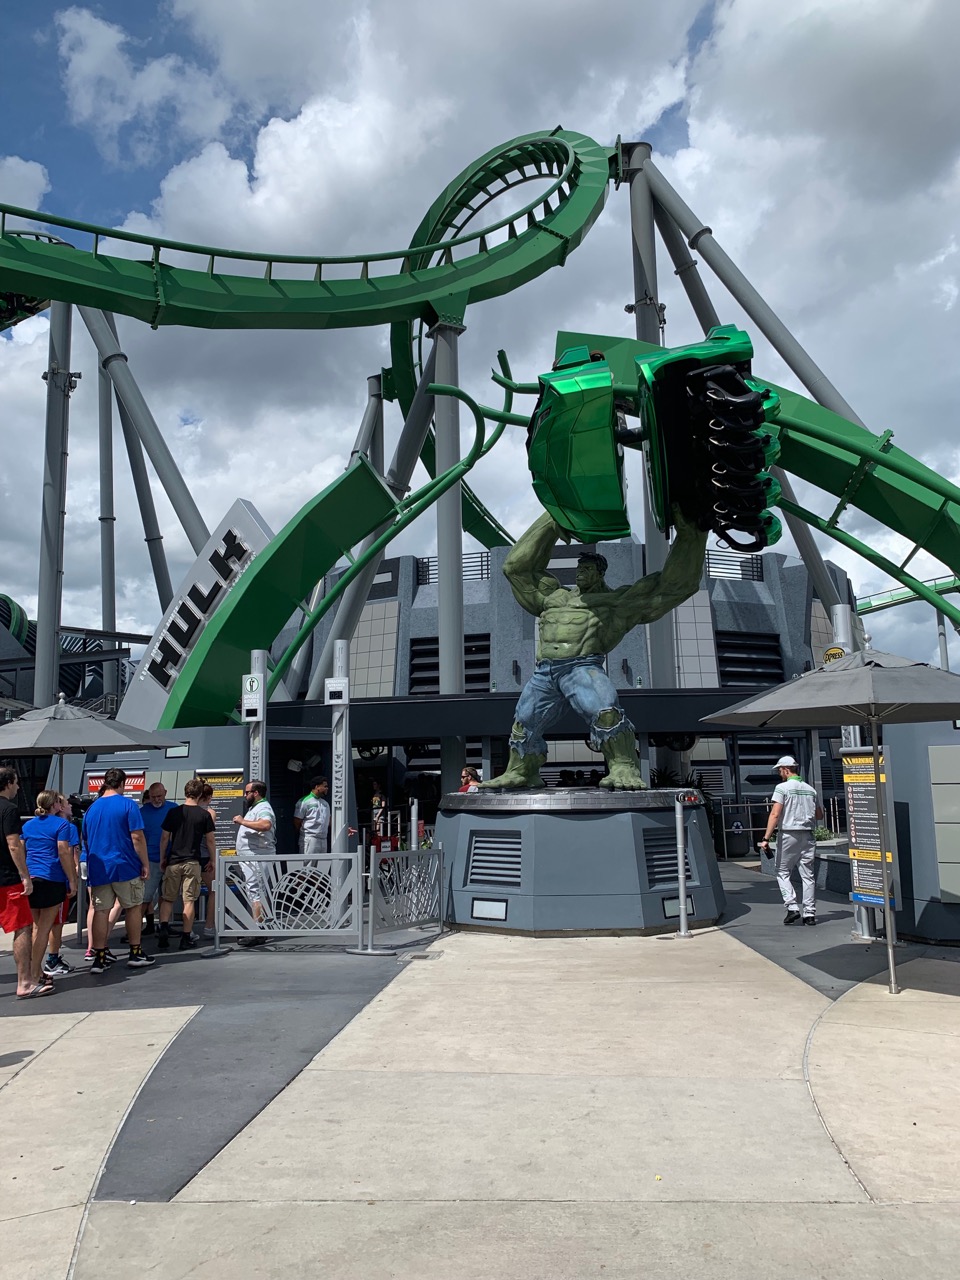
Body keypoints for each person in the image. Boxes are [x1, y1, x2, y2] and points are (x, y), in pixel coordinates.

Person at [481, 506, 707, 789]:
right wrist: (555, 517)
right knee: (523, 723)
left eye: (587, 569)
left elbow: (675, 586)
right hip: (544, 673)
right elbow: (514, 568)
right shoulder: (554, 597)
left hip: (582, 667)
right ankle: (523, 771)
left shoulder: (615, 603)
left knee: (606, 712)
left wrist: (693, 533)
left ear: (600, 573)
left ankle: (624, 767)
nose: (580, 573)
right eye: (579, 568)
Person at [82, 767, 155, 972]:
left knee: (100, 911)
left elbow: (86, 839)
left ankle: (100, 955)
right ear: (123, 783)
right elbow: (137, 837)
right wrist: (145, 863)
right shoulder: (128, 805)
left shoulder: (92, 809)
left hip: (99, 868)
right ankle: (135, 952)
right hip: (125, 865)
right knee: (133, 907)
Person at [0, 765, 53, 999]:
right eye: (16, 782)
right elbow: (14, 845)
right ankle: (24, 983)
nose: (18, 786)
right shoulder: (9, 810)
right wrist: (25, 875)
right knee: (22, 927)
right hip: (7, 880)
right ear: (8, 783)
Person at [23, 791, 78, 987]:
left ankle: (30, 971)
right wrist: (72, 879)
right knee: (44, 929)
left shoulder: (27, 825)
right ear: (55, 804)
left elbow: (22, 850)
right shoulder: (62, 824)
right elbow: (64, 851)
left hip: (31, 878)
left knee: (34, 928)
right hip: (52, 878)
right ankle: (35, 972)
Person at [760, 755, 823, 925]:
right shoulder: (811, 790)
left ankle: (792, 907)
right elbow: (819, 814)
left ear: (786, 770)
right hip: (808, 835)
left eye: (780, 770)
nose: (779, 773)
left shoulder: (782, 788)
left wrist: (766, 838)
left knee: (782, 871)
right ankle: (809, 914)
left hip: (788, 834)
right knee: (808, 876)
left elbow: (775, 814)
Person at [157, 779, 216, 951]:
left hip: (174, 860)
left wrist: (163, 858)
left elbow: (164, 838)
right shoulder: (204, 815)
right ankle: (186, 936)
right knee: (189, 900)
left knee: (168, 898)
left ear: (185, 793)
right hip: (193, 861)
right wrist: (212, 860)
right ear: (199, 795)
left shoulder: (173, 812)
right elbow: (210, 840)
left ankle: (163, 929)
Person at [232, 779, 276, 947]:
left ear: (256, 793)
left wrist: (242, 821)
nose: (245, 795)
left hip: (258, 858)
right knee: (255, 892)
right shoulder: (256, 808)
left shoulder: (264, 808)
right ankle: (259, 927)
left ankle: (257, 930)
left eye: (247, 792)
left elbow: (266, 824)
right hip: (253, 858)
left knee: (256, 892)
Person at [42, 793, 80, 977]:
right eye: (67, 803)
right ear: (59, 807)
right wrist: (74, 877)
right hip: (58, 879)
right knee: (57, 923)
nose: (71, 806)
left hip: (38, 877)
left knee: (40, 924)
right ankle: (52, 959)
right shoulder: (67, 827)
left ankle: (41, 961)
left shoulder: (35, 824)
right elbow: (70, 852)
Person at [139, 782, 176, 936]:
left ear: (165, 793)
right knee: (145, 898)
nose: (156, 799)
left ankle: (164, 926)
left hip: (171, 860)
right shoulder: (142, 812)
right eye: (153, 797)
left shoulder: (174, 808)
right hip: (150, 860)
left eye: (159, 796)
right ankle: (134, 929)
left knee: (166, 896)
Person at [293, 776, 330, 862]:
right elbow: (297, 821)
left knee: (320, 869)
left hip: (323, 839)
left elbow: (329, 820)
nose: (327, 788)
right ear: (317, 787)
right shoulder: (304, 801)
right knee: (306, 868)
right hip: (310, 838)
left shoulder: (325, 803)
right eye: (325, 786)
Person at [199, 782, 217, 938]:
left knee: (188, 894)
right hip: (204, 856)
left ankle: (188, 929)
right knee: (214, 890)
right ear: (209, 797)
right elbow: (209, 838)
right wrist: (213, 859)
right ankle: (209, 926)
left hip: (187, 856)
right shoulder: (209, 813)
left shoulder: (183, 810)